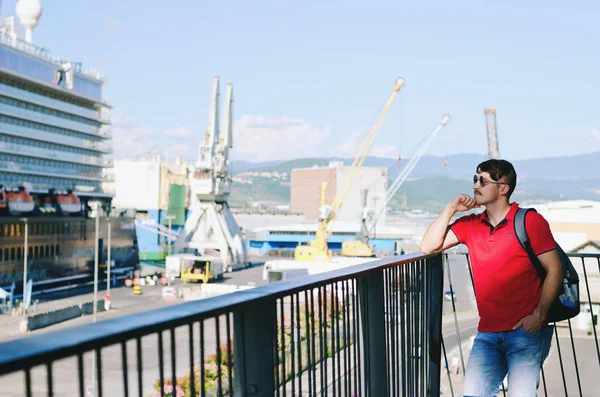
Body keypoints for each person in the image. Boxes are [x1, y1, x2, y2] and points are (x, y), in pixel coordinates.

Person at [420, 159, 562, 396]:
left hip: (526, 333)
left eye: (483, 180)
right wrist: (451, 208)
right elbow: (428, 246)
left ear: (503, 188)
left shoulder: (530, 221)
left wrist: (539, 315)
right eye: (475, 179)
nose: (476, 185)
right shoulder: (471, 224)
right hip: (487, 334)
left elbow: (555, 270)